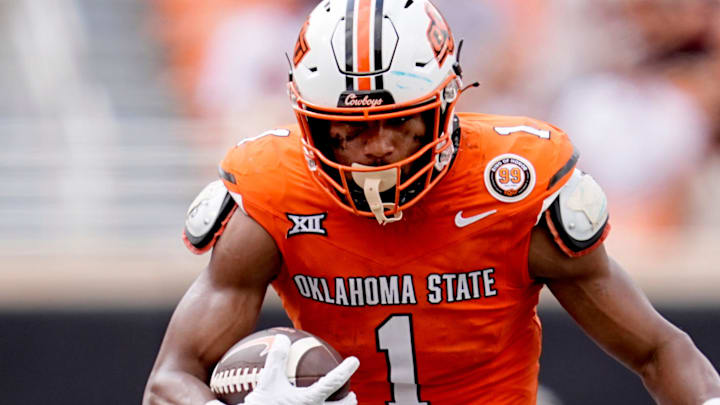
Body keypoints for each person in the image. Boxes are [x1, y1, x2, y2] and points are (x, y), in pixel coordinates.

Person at [143, 1, 720, 404]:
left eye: (401, 123)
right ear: (305, 122)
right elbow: (169, 380)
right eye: (347, 129)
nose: (378, 148)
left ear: (446, 103)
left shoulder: (511, 187)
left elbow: (658, 349)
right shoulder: (271, 193)